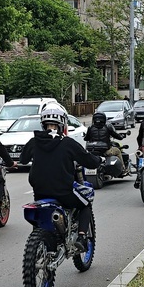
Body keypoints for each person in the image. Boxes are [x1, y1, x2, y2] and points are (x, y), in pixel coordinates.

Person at [19, 106, 102, 254]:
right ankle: (81, 237)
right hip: (64, 192)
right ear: (63, 124)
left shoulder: (34, 141)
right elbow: (88, 160)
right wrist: (99, 160)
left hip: (40, 192)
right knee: (86, 204)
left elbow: (23, 159)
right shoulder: (67, 143)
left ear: (43, 124)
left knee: (39, 217)